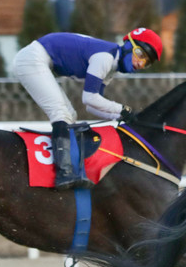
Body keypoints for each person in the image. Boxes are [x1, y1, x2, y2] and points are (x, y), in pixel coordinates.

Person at [13, 27, 163, 190]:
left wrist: (119, 116)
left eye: (146, 62)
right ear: (128, 45)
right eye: (140, 54)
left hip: (38, 58)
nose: (140, 63)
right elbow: (90, 98)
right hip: (31, 59)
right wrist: (122, 109)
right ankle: (64, 173)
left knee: (70, 114)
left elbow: (91, 107)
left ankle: (68, 169)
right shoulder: (105, 58)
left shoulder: (111, 66)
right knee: (61, 113)